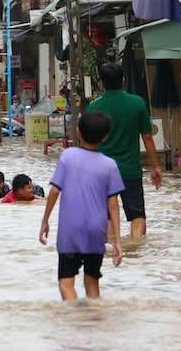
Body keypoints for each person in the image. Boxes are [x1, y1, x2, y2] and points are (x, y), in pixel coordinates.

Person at [39, 111, 125, 300]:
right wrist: (117, 240)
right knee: (92, 282)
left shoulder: (68, 157)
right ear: (105, 137)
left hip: (71, 230)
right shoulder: (110, 165)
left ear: (78, 131)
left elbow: (54, 191)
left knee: (66, 283)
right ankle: (93, 320)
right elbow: (114, 205)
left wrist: (45, 221)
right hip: (97, 230)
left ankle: (76, 320)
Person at [86, 62, 162, 238]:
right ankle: (136, 249)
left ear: (102, 83)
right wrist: (155, 166)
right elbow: (148, 137)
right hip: (130, 171)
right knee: (137, 215)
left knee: (107, 217)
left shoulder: (93, 108)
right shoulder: (137, 104)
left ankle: (113, 251)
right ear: (123, 80)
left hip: (101, 172)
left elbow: (88, 144)